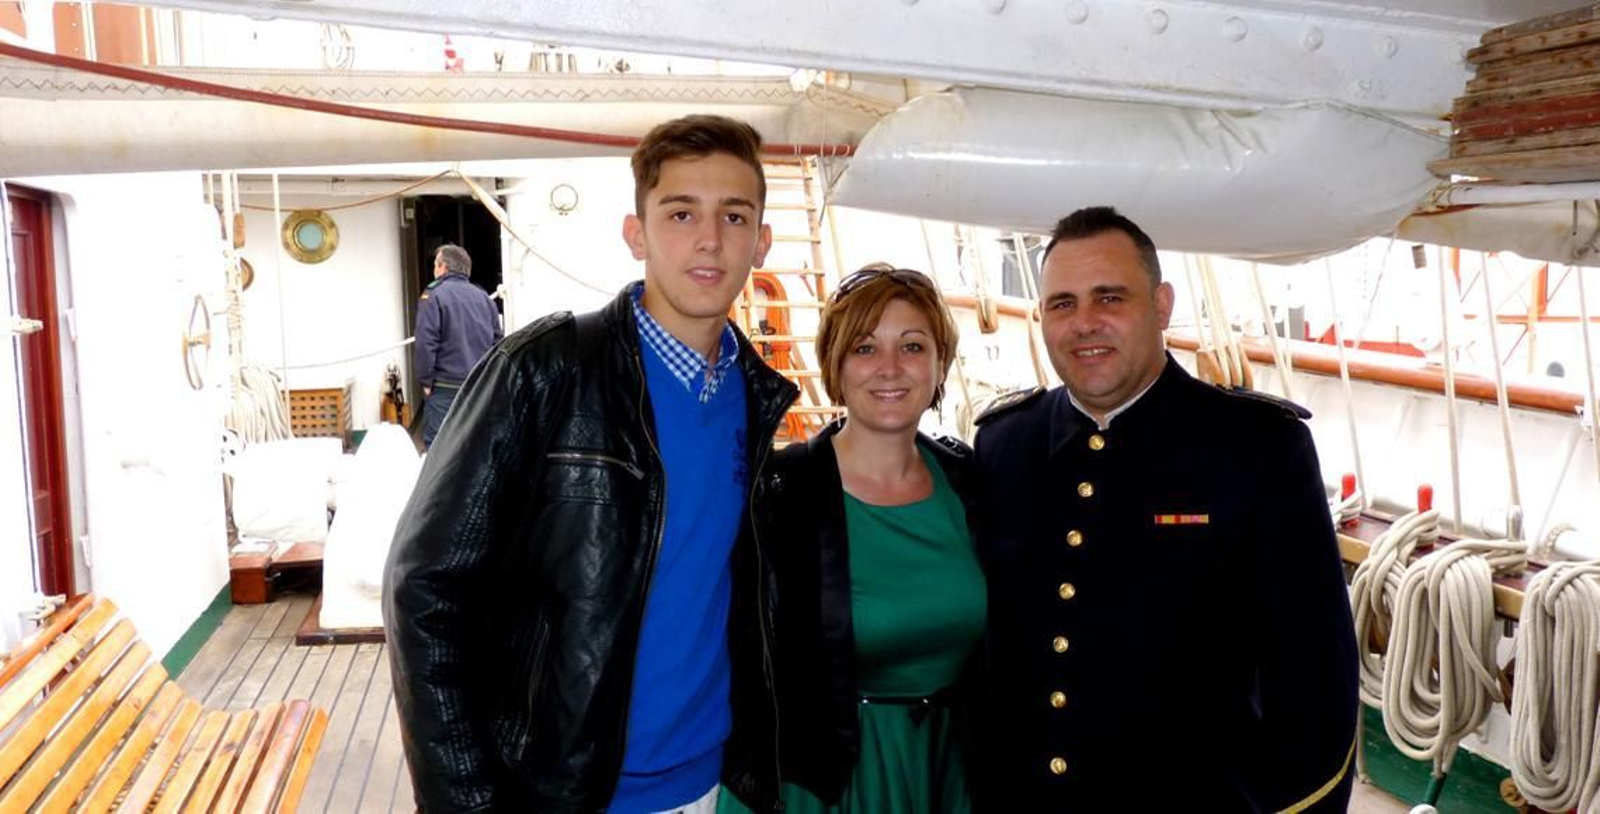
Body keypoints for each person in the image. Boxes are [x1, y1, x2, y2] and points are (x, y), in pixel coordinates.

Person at [383, 114, 798, 813]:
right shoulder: (544, 372)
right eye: (680, 212)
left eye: (734, 215)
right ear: (636, 233)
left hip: (710, 783)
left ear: (760, 240)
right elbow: (423, 589)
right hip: (567, 792)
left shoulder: (754, 397)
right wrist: (468, 801)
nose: (708, 238)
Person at [972, 206, 1357, 810]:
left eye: (1110, 298)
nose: (1084, 323)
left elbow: (1316, 683)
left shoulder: (1257, 449)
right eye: (1063, 304)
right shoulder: (1003, 446)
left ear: (1161, 305)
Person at [722, 265, 986, 814]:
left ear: (940, 365)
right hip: (825, 782)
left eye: (912, 346)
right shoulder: (777, 495)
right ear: (836, 368)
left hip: (953, 769)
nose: (889, 368)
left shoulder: (971, 485)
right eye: (864, 349)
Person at [413, 243, 502, 448]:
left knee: (440, 449)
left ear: (443, 266)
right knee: (475, 445)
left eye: (435, 265)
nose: (434, 270)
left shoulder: (433, 295)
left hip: (445, 387)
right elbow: (497, 342)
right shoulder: (483, 298)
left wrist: (426, 381)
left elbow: (426, 343)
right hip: (478, 385)